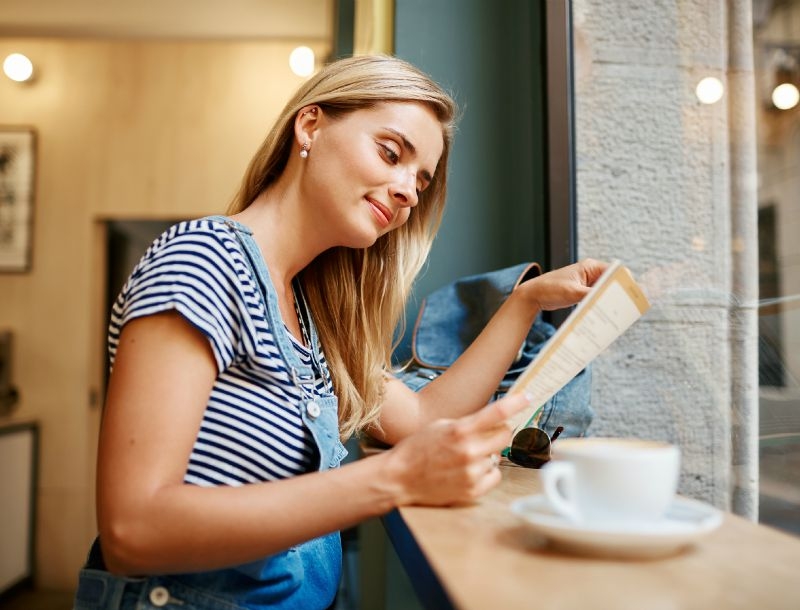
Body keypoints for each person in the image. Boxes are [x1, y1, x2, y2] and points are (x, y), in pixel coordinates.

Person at [73, 54, 607, 610]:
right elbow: (133, 531)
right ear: (310, 126)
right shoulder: (203, 262)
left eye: (421, 182)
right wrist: (394, 480)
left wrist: (526, 302)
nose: (407, 192)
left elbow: (426, 419)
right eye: (390, 153)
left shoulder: (313, 317)